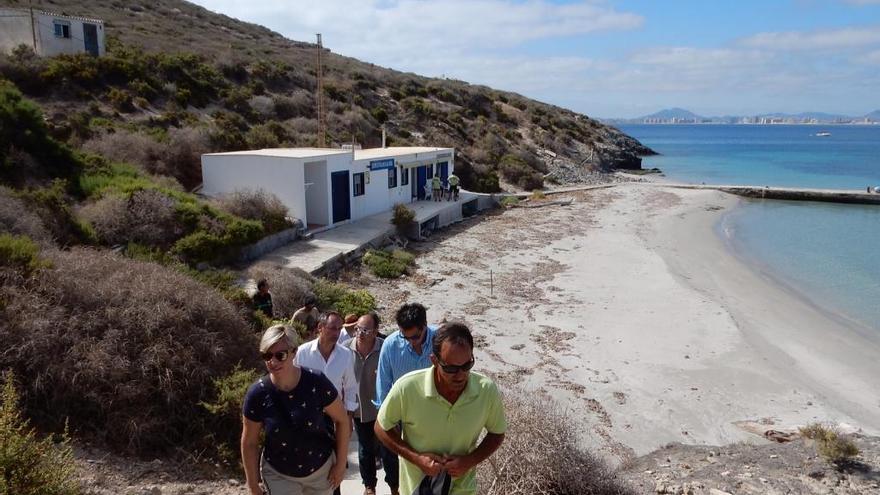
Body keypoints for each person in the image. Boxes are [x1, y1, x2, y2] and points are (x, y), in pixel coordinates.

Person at [374, 323, 506, 495]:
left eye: (467, 366)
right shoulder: (407, 388)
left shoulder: (486, 391)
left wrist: (469, 461)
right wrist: (416, 458)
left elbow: (497, 433)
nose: (460, 375)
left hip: (463, 489)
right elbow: (381, 427)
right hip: (417, 489)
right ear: (434, 360)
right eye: (451, 368)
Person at [241, 324, 350, 495]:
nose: (273, 362)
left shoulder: (316, 382)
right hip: (279, 475)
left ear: (294, 352)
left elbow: (342, 420)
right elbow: (249, 443)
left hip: (321, 473)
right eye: (267, 355)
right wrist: (253, 485)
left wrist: (341, 464)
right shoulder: (258, 394)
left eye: (280, 355)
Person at [348, 312, 399, 495]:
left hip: (385, 410)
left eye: (365, 329)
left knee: (389, 451)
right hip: (359, 410)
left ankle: (394, 486)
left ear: (376, 331)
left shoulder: (386, 348)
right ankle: (369, 486)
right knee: (365, 449)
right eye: (357, 329)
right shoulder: (346, 349)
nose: (360, 333)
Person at [294, 312, 359, 416]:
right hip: (307, 415)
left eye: (339, 329)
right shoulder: (302, 353)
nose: (337, 333)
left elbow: (350, 387)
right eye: (333, 328)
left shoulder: (345, 354)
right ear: (320, 327)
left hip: (335, 415)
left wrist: (348, 417)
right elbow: (292, 384)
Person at [374, 303, 437, 408]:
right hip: (404, 409)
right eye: (406, 338)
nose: (412, 342)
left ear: (425, 324)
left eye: (416, 337)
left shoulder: (441, 339)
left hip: (435, 408)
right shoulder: (390, 345)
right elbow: (383, 383)